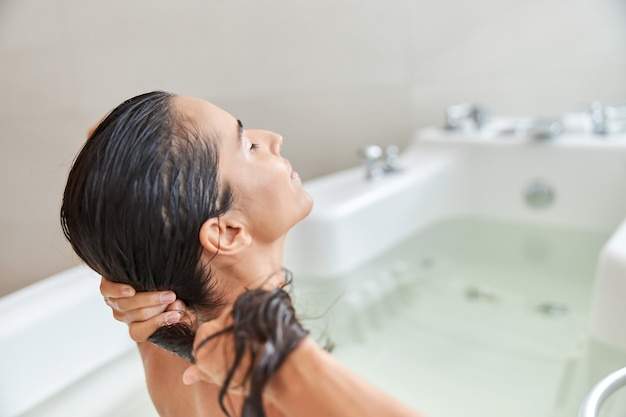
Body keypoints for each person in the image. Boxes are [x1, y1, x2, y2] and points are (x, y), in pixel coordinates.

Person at [64, 91, 422, 417]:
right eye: (249, 146)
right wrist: (291, 370)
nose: (273, 139)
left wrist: (125, 282)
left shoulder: (165, 342)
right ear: (228, 232)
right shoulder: (269, 398)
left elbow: (110, 173)